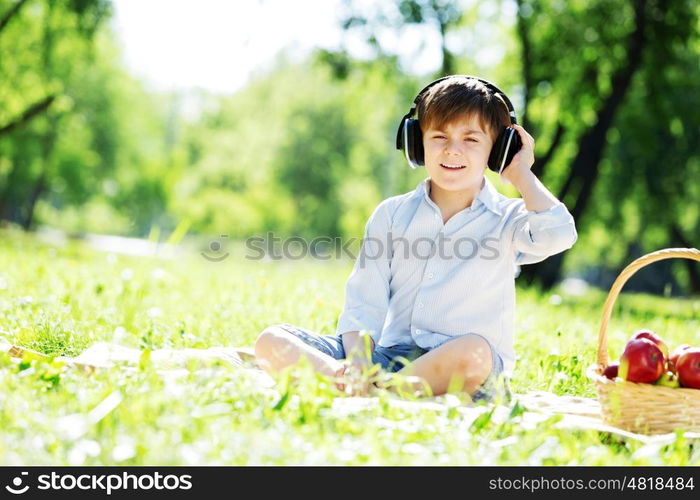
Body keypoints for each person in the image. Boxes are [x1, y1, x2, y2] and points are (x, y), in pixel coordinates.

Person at [254, 75, 577, 401]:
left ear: (498, 151)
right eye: (439, 136)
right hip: (390, 359)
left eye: (471, 139)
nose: (453, 150)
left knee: (476, 351)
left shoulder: (510, 219)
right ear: (416, 142)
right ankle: (364, 385)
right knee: (272, 340)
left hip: (464, 369)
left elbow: (560, 235)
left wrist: (521, 174)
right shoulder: (392, 215)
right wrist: (358, 363)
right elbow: (364, 304)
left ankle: (374, 394)